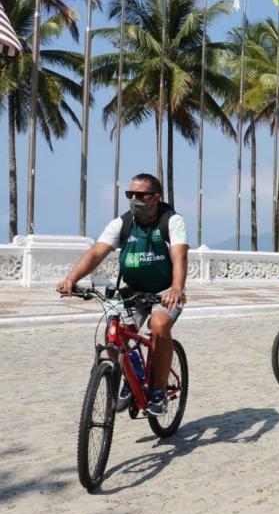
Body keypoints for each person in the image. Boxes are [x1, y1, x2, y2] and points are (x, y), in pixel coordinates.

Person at [57, 173, 188, 416]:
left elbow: (180, 256)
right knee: (114, 332)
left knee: (159, 326)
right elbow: (96, 253)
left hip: (165, 291)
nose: (134, 199)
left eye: (141, 195)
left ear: (156, 197)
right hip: (131, 291)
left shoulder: (171, 221)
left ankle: (158, 391)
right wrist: (72, 279)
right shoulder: (122, 223)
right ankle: (132, 376)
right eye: (130, 194)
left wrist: (176, 289)